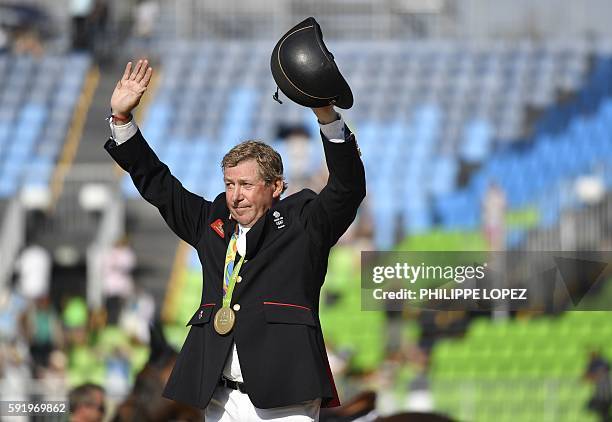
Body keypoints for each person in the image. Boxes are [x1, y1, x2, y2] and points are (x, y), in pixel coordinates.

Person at [104, 59, 365, 421]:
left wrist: (326, 114)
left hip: (286, 398)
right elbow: (159, 185)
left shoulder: (305, 224)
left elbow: (347, 188)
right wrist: (122, 120)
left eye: (245, 185)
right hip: (220, 398)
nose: (235, 195)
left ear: (275, 187)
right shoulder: (211, 223)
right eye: (229, 184)